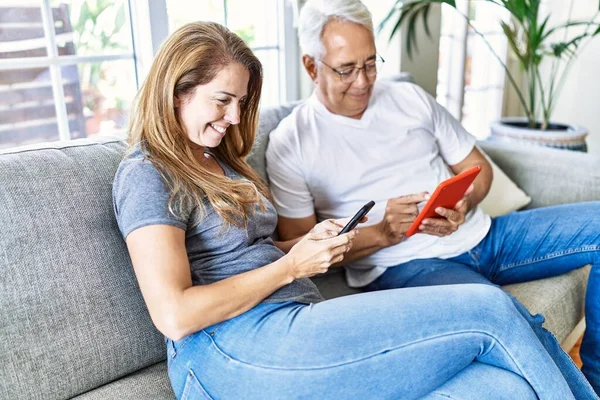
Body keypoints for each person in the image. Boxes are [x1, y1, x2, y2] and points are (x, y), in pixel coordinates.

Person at [113, 21, 575, 400]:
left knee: (499, 387)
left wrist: (310, 245)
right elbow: (173, 314)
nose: (235, 118)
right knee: (490, 310)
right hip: (228, 348)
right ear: (177, 91)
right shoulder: (147, 173)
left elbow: (251, 254)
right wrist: (292, 265)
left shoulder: (216, 158)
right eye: (223, 100)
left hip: (287, 320)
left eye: (242, 102)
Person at [265, 0, 600, 398]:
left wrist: (464, 203)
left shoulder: (409, 98)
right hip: (408, 266)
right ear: (310, 66)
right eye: (346, 69)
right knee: (506, 317)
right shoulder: (292, 142)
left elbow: (479, 168)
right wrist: (381, 234)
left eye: (371, 63)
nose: (363, 80)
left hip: (487, 236)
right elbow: (302, 257)